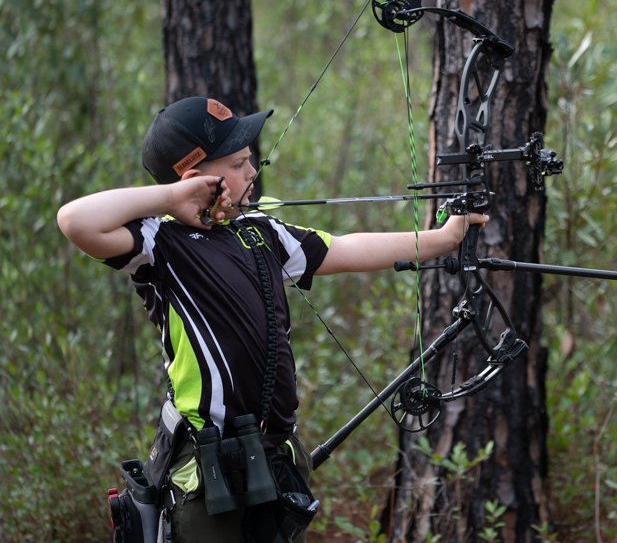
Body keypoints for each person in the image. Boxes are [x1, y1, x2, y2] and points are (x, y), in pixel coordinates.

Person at [57, 96, 486, 543]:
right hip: (206, 467)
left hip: (275, 457)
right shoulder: (157, 242)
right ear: (195, 180)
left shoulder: (261, 230)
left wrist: (443, 239)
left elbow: (347, 248)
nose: (252, 172)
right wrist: (171, 198)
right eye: (240, 163)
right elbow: (75, 220)